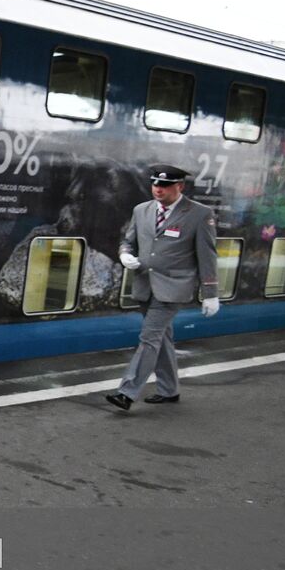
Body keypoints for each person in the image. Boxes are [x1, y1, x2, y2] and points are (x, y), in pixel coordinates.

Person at [106, 164, 220, 411]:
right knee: (162, 338)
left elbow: (207, 256)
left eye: (165, 185)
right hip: (144, 284)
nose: (158, 189)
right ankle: (169, 390)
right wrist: (125, 255)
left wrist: (210, 293)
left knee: (149, 338)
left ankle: (127, 392)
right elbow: (128, 241)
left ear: (180, 186)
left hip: (173, 288)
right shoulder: (141, 210)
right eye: (155, 184)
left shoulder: (200, 214)